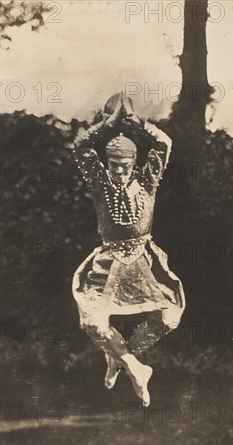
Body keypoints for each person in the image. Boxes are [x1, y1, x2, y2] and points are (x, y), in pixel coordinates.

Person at [72, 92, 185, 406]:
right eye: (114, 165)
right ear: (106, 164)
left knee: (169, 317)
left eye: (125, 165)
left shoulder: (147, 180)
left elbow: (163, 145)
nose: (120, 171)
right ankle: (135, 367)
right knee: (93, 322)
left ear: (134, 163)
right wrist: (108, 124)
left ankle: (122, 358)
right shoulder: (100, 182)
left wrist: (138, 123)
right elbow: (80, 146)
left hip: (145, 257)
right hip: (109, 258)